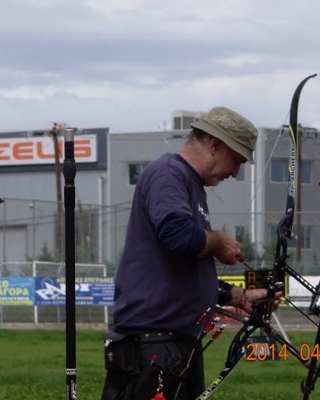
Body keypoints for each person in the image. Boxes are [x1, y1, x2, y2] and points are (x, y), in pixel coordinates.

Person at [101, 107, 281, 400]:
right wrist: (219, 240)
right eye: (236, 160)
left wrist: (239, 297)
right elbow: (178, 235)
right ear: (215, 145)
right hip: (153, 345)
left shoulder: (191, 185)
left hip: (174, 344)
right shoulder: (168, 174)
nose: (235, 172)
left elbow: (182, 266)